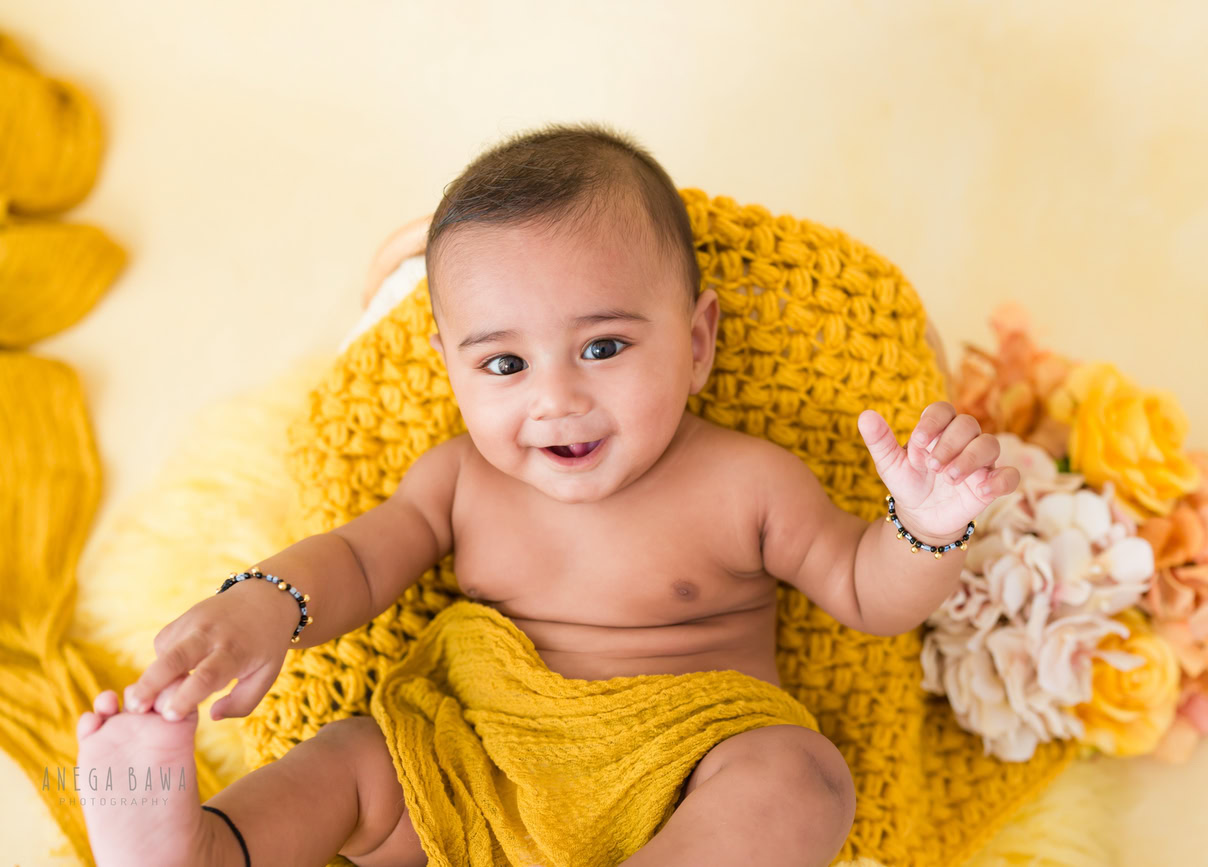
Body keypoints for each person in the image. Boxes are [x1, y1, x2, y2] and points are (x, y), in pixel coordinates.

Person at [75, 122, 1018, 867]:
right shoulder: (457, 478)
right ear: (452, 369)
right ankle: (204, 845)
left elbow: (868, 592)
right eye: (505, 363)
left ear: (697, 342)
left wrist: (925, 529)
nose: (556, 397)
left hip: (681, 779)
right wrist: (264, 605)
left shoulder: (746, 478)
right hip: (471, 763)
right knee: (352, 759)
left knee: (801, 778)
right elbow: (360, 559)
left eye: (604, 347)